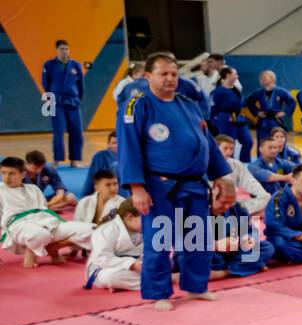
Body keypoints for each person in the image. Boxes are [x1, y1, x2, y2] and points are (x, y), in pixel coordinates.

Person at [117, 51, 231, 311]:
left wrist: (220, 176)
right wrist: (136, 188)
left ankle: (196, 286)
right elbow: (128, 148)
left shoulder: (187, 104)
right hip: (159, 185)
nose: (170, 79)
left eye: (174, 74)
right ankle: (159, 293)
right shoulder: (136, 105)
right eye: (163, 74)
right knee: (159, 240)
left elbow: (207, 144)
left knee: (198, 239)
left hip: (194, 182)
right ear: (147, 76)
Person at [0, 156, 93, 267]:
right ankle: (32, 252)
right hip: (19, 226)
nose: (6, 177)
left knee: (90, 229)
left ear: (23, 174)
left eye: (11, 173)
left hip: (47, 223)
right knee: (40, 235)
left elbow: (45, 211)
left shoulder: (33, 189)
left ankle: (51, 248)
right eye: (3, 173)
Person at [208, 178, 274, 279]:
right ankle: (248, 267)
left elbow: (248, 231)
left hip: (232, 252)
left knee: (267, 248)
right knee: (196, 258)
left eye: (231, 203)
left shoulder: (237, 208)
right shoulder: (197, 210)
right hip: (210, 253)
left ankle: (226, 272)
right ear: (212, 196)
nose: (227, 207)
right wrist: (215, 245)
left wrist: (248, 238)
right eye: (224, 202)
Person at [83, 200, 144, 291]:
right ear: (130, 217)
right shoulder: (107, 229)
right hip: (104, 269)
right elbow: (103, 258)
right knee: (113, 278)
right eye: (146, 219)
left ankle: (154, 279)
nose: (150, 222)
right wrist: (132, 264)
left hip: (134, 267)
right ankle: (165, 279)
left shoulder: (143, 230)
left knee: (166, 263)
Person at [42, 40, 85, 167]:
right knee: (58, 132)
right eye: (62, 48)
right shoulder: (49, 65)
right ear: (57, 50)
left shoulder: (76, 65)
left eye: (67, 48)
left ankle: (75, 160)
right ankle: (57, 160)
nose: (64, 51)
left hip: (73, 102)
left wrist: (77, 99)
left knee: (77, 131)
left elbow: (81, 85)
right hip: (56, 102)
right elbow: (45, 83)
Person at [214, 134, 271, 214]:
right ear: (216, 148)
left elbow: (250, 182)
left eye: (231, 149)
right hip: (216, 203)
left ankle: (242, 213)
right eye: (225, 148)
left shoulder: (235, 164)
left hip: (233, 202)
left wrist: (262, 195)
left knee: (266, 197)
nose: (229, 152)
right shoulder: (207, 165)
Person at [211, 67, 254, 162]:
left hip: (238, 117)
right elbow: (214, 107)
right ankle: (229, 165)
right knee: (229, 144)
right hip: (225, 118)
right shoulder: (218, 91)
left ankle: (244, 163)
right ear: (228, 75)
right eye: (235, 74)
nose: (237, 76)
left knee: (248, 141)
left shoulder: (236, 89)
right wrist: (214, 121)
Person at [245, 71, 296, 148]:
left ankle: (279, 159)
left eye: (265, 77)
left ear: (272, 78)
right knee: (262, 144)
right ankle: (262, 159)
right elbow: (249, 102)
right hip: (263, 122)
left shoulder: (281, 92)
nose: (262, 79)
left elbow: (292, 102)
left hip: (276, 121)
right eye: (261, 78)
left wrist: (284, 112)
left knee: (278, 143)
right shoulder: (259, 92)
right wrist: (257, 112)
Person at [78, 131, 118, 198]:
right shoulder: (100, 156)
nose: (117, 145)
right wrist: (85, 197)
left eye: (119, 143)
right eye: (114, 143)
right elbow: (93, 177)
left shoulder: (130, 156)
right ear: (108, 144)